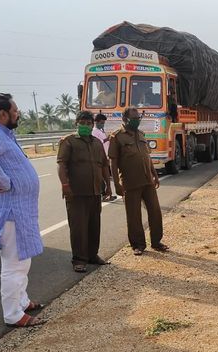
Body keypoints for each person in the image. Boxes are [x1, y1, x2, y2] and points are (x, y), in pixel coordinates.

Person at [0, 93, 45, 328]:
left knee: (21, 260)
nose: (18, 113)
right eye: (14, 110)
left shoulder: (2, 132)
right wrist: (4, 182)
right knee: (14, 264)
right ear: (2, 114)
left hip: (18, 209)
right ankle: (13, 314)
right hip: (10, 211)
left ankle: (22, 301)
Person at [108, 107, 168, 256]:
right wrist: (116, 184)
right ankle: (138, 244)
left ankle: (156, 241)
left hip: (147, 180)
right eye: (133, 118)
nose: (136, 121)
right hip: (130, 182)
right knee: (134, 215)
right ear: (125, 119)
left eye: (138, 118)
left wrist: (154, 174)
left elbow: (146, 156)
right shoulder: (117, 137)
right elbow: (113, 163)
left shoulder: (141, 134)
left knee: (155, 211)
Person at [58, 111, 112, 272]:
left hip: (95, 191)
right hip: (76, 192)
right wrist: (65, 185)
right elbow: (62, 165)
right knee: (78, 227)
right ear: (76, 123)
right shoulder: (68, 142)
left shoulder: (96, 142)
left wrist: (108, 185)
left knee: (94, 225)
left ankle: (92, 255)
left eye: (89, 123)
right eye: (83, 123)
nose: (86, 126)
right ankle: (79, 259)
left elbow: (103, 165)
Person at [92, 113, 116, 202]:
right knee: (101, 177)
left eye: (103, 123)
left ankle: (107, 194)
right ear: (96, 122)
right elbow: (98, 142)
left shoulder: (101, 131)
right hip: (98, 156)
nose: (102, 124)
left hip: (104, 156)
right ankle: (103, 195)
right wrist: (107, 139)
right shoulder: (94, 131)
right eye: (101, 122)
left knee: (106, 177)